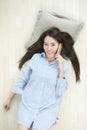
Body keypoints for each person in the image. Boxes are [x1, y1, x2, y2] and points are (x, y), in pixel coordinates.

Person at [3, 27, 80, 130]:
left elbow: (59, 92)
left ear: (59, 45)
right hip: (28, 105)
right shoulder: (36, 58)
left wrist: (60, 69)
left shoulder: (64, 64)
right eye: (46, 44)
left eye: (53, 44)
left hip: (48, 109)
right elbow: (22, 79)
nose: (48, 48)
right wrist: (9, 99)